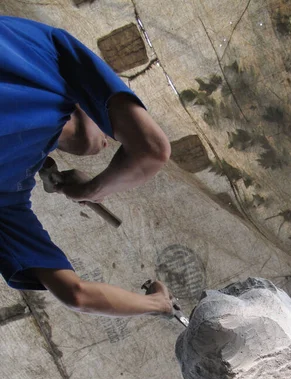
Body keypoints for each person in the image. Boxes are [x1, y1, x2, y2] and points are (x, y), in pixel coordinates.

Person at [0, 16, 173, 317]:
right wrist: (92, 189)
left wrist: (154, 304)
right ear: (87, 100)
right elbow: (152, 149)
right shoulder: (48, 51)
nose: (107, 141)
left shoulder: (7, 201)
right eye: (108, 128)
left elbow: (76, 294)